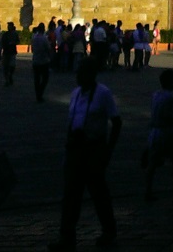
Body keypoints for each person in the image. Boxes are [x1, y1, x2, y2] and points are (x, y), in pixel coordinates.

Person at [49, 54, 122, 250]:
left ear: (91, 74)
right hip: (75, 148)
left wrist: (108, 151)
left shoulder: (103, 93)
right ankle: (67, 236)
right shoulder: (75, 93)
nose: (77, 76)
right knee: (70, 193)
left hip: (94, 148)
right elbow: (71, 120)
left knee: (99, 192)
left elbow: (116, 122)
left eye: (81, 72)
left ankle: (109, 231)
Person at [144, 68, 173, 202]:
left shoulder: (156, 95)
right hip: (166, 132)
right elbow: (168, 117)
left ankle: (147, 190)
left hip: (154, 131)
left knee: (152, 164)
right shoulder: (169, 97)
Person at [31, 22, 52, 102]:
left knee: (36, 79)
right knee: (45, 78)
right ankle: (40, 92)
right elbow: (48, 49)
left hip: (35, 60)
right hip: (44, 61)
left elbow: (32, 49)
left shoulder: (34, 38)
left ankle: (37, 94)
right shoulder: (44, 38)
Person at [0, 21, 19, 86]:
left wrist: (13, 43)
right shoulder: (5, 34)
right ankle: (7, 79)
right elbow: (2, 43)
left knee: (11, 66)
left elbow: (17, 41)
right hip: (6, 52)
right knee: (6, 66)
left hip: (11, 52)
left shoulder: (14, 34)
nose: (8, 27)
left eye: (9, 26)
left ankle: (9, 76)